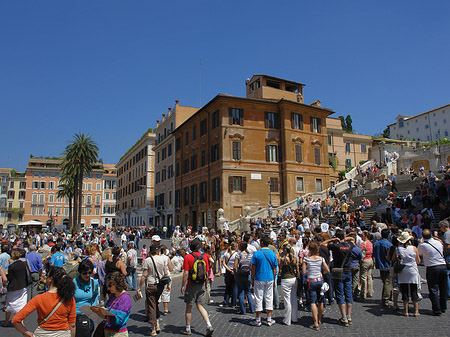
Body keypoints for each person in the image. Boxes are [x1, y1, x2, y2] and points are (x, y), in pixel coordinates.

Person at [12, 266, 76, 337]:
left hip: (43, 333)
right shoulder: (69, 298)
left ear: (51, 279)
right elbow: (72, 324)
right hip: (63, 333)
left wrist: (26, 333)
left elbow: (16, 320)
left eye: (47, 276)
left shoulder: (39, 298)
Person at [180, 238, 214, 336]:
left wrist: (183, 285)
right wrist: (206, 284)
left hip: (191, 284)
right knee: (200, 305)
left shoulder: (188, 257)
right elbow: (207, 272)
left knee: (189, 307)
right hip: (202, 284)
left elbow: (186, 273)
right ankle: (208, 325)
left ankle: (188, 329)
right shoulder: (204, 257)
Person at [322, 229, 354, 326]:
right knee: (348, 293)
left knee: (340, 294)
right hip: (348, 271)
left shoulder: (335, 246)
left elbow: (323, 244)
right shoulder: (349, 245)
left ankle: (343, 317)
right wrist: (346, 238)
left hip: (338, 271)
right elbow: (353, 239)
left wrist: (332, 239)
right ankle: (349, 316)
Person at [92, 272, 132, 337]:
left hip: (118, 333)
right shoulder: (112, 295)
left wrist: (106, 315)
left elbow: (119, 320)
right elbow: (106, 308)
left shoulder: (125, 298)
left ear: (116, 284)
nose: (108, 288)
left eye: (109, 286)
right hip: (107, 330)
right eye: (107, 286)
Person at [418, 229, 448, 315]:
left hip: (432, 267)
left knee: (433, 289)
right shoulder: (438, 243)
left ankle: (436, 309)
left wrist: (420, 243)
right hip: (443, 265)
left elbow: (418, 253)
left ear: (423, 237)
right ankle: (443, 307)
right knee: (443, 288)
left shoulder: (422, 245)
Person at [138, 244, 166, 336]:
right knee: (156, 303)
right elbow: (166, 273)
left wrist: (139, 287)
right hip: (160, 285)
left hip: (150, 284)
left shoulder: (148, 260)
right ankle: (157, 324)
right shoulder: (162, 259)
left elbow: (144, 275)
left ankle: (153, 328)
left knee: (152, 305)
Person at [250, 235, 278, 327]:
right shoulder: (273, 254)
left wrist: (252, 278)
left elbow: (253, 268)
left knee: (258, 297)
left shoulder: (257, 254)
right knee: (269, 297)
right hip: (269, 278)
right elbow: (275, 268)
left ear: (261, 243)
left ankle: (258, 319)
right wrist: (274, 279)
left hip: (259, 277)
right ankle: (269, 319)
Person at [303, 242, 330, 330]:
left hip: (311, 280)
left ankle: (315, 322)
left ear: (310, 250)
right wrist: (322, 273)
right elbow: (327, 270)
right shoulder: (321, 259)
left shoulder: (306, 259)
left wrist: (308, 270)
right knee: (321, 300)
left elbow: (303, 272)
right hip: (320, 279)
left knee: (313, 302)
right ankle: (319, 319)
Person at [394, 231, 421, 317]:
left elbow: (395, 259)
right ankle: (416, 311)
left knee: (404, 291)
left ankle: (406, 311)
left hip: (403, 271)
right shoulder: (414, 248)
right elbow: (418, 261)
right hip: (413, 270)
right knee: (414, 290)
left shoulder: (398, 248)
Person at [3, 249, 29, 326]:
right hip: (23, 286)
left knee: (10, 304)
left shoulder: (12, 266)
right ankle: (21, 321)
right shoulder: (23, 264)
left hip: (13, 287)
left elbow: (10, 277)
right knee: (22, 304)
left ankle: (7, 321)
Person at [74, 259, 99, 337]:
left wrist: (93, 306)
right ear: (80, 272)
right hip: (75, 316)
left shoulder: (94, 282)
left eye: (89, 272)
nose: (87, 275)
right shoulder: (73, 283)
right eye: (85, 273)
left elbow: (95, 295)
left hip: (88, 315)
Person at [279, 243, 299, 326]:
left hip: (286, 279)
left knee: (287, 300)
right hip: (294, 279)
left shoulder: (283, 259)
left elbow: (280, 270)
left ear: (284, 250)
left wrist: (280, 257)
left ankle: (287, 319)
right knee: (294, 298)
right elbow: (297, 270)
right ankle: (294, 318)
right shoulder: (295, 259)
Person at [233, 242, 255, 315]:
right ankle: (252, 309)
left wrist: (235, 275)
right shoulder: (250, 255)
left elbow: (235, 267)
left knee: (241, 292)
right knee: (248, 292)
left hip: (240, 275)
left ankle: (243, 310)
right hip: (247, 274)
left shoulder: (238, 255)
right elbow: (252, 266)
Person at [373, 229, 393, 307]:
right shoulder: (389, 245)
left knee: (384, 281)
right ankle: (386, 298)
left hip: (379, 264)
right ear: (388, 235)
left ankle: (385, 296)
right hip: (387, 264)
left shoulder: (376, 244)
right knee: (388, 282)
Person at [359, 231, 374, 300]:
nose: (361, 237)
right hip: (370, 259)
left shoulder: (363, 244)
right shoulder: (370, 243)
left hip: (365, 260)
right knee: (369, 276)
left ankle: (363, 293)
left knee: (363, 277)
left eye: (362, 235)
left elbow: (359, 252)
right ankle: (370, 292)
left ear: (365, 236)